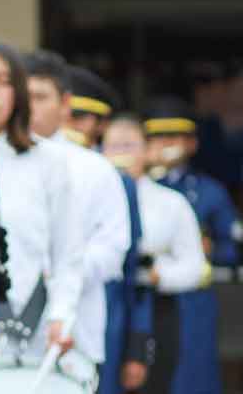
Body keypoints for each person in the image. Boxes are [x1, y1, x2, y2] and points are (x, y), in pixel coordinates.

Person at [0, 43, 85, 372]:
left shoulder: (49, 161)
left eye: (4, 81)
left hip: (38, 334)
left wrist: (61, 314)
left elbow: (68, 252)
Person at [22, 51, 136, 389]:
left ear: (65, 103)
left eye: (41, 97)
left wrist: (62, 270)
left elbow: (115, 249)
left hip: (73, 334)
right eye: (24, 97)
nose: (31, 107)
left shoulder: (94, 169)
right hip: (0, 336)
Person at [143, 97, 243, 394]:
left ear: (191, 144)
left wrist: (208, 248)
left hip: (190, 301)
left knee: (191, 377)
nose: (165, 145)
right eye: (157, 138)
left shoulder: (209, 191)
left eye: (173, 137)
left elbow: (233, 250)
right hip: (143, 295)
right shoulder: (131, 185)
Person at [102, 116, 207, 394]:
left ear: (147, 151)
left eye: (129, 145)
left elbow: (195, 266)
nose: (121, 154)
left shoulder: (171, 203)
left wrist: (158, 274)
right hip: (105, 307)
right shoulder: (92, 198)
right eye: (113, 146)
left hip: (156, 308)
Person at [64, 65, 153, 394]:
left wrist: (136, 348)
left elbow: (135, 274)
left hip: (105, 328)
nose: (69, 124)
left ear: (99, 125)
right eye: (67, 113)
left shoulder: (118, 181)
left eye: (81, 117)